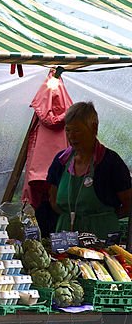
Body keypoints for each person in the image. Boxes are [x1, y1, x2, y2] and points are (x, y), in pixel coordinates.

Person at [47, 101, 132, 238]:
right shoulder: (61, 161)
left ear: (94, 128)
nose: (71, 136)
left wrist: (102, 219)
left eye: (77, 130)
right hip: (64, 237)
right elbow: (52, 198)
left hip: (101, 238)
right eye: (68, 130)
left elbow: (128, 203)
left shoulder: (110, 162)